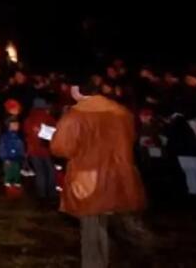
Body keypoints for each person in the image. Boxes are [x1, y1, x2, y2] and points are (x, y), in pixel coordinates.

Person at [52, 78, 148, 268]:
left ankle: (93, 263)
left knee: (90, 224)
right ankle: (107, 258)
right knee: (105, 220)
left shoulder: (76, 115)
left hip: (89, 177)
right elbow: (131, 138)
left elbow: (61, 148)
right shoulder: (121, 111)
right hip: (119, 174)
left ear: (77, 90)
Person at [24, 96, 58, 201]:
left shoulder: (28, 119)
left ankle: (41, 195)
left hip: (34, 150)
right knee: (51, 172)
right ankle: (52, 194)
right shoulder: (49, 118)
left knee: (40, 173)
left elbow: (26, 133)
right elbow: (56, 133)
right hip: (47, 151)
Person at [0, 119, 26, 198]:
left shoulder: (18, 136)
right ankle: (9, 192)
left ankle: (16, 191)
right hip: (8, 159)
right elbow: (2, 148)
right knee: (9, 174)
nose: (17, 126)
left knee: (16, 173)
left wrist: (22, 155)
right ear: (9, 126)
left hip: (17, 158)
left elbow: (21, 147)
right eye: (14, 125)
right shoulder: (5, 137)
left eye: (17, 125)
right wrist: (5, 158)